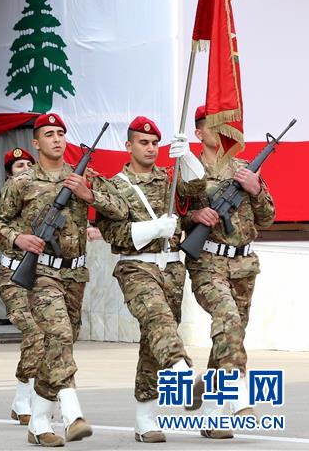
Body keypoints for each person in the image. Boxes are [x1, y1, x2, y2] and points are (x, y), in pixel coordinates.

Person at [0, 113, 128, 446]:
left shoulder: (84, 176)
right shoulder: (21, 183)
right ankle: (72, 412)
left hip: (75, 272)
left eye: (61, 133)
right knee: (59, 333)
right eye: (49, 134)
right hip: (40, 272)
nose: (57, 138)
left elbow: (121, 209)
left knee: (59, 344)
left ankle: (37, 422)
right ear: (36, 143)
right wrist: (18, 239)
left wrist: (89, 194)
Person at [95, 116, 205, 443]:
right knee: (158, 321)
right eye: (143, 142)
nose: (151, 148)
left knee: (152, 341)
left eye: (155, 142)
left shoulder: (169, 178)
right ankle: (184, 377)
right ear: (128, 146)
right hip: (136, 267)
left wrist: (187, 156)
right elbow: (110, 231)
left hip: (171, 268)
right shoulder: (115, 185)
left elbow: (198, 188)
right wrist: (154, 229)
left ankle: (145, 418)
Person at [183, 106, 276, 439]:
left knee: (230, 335)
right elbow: (176, 217)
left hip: (243, 265)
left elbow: (267, 218)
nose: (223, 130)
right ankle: (238, 398)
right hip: (207, 260)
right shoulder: (189, 171)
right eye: (214, 125)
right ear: (199, 133)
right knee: (229, 321)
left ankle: (210, 411)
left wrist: (257, 188)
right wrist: (195, 217)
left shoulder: (243, 169)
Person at [0, 147, 41, 424]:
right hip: (12, 277)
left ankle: (26, 398)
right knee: (34, 331)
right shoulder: (4, 200)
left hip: (42, 278)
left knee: (44, 336)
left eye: (29, 164)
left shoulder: (43, 195)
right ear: (9, 174)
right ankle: (24, 398)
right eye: (19, 166)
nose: (25, 168)